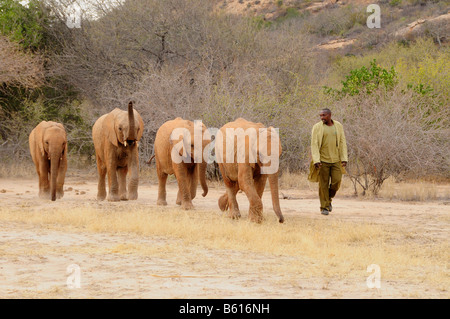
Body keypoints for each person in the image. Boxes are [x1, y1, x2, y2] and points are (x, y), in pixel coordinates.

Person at [309, 108, 348, 215]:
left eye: (324, 115)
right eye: (320, 116)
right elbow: (314, 144)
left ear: (330, 115)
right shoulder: (317, 127)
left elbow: (342, 141)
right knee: (323, 185)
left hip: (336, 160)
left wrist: (344, 158)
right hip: (322, 161)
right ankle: (324, 207)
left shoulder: (338, 126)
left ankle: (328, 198)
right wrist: (316, 160)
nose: (322, 118)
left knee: (336, 182)